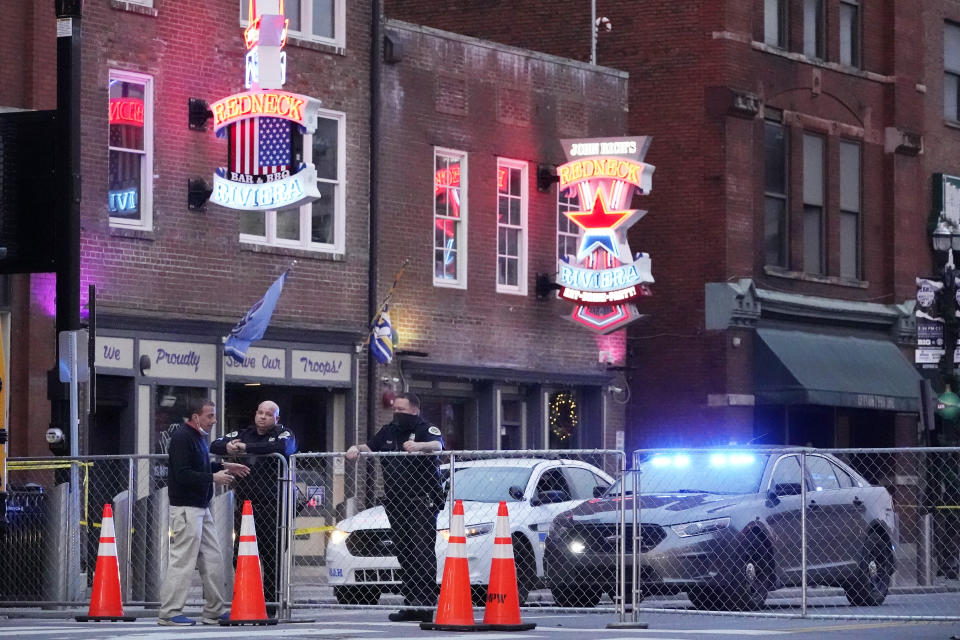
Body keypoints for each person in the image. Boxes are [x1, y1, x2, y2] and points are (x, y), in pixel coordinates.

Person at [346, 392, 444, 623]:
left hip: (421, 501)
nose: (397, 414)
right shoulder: (389, 430)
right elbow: (370, 446)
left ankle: (425, 604)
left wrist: (419, 446)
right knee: (405, 552)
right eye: (395, 409)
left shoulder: (424, 428)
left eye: (402, 410)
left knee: (421, 553)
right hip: (396, 501)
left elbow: (438, 445)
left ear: (414, 410)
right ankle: (410, 603)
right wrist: (355, 448)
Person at [157, 399, 249, 626]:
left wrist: (224, 466)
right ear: (195, 417)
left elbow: (198, 467)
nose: (214, 420)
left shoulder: (196, 437)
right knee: (183, 560)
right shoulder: (182, 438)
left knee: (214, 558)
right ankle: (169, 612)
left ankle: (214, 610)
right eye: (209, 416)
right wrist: (213, 477)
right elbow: (182, 473)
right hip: (187, 508)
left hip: (200, 506)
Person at [211, 400, 297, 614]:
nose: (263, 417)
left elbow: (282, 448)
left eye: (268, 414)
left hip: (273, 506)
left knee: (271, 557)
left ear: (276, 418)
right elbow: (215, 444)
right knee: (239, 555)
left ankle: (270, 605)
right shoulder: (244, 433)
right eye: (260, 412)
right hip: (246, 506)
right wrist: (229, 447)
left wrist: (246, 448)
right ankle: (248, 596)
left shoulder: (283, 434)